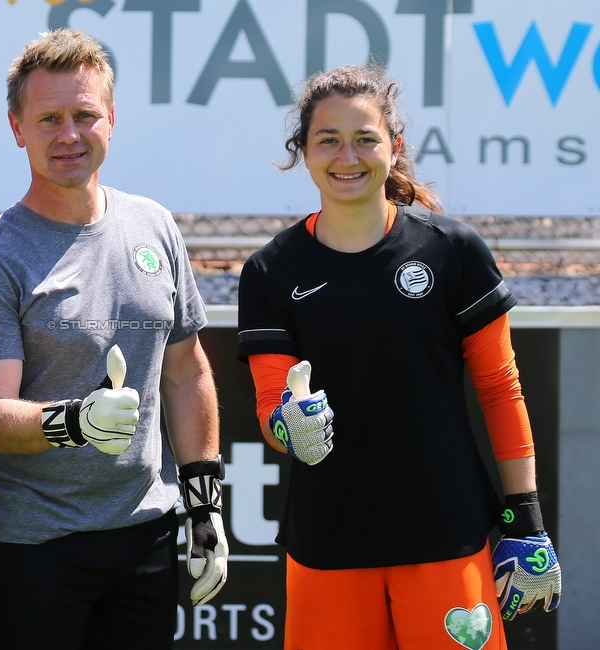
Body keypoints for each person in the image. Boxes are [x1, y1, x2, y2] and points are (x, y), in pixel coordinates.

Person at [236, 65, 561, 649]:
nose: (347, 156)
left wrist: (527, 519)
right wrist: (290, 427)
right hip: (327, 545)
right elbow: (270, 407)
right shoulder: (271, 270)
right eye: (328, 139)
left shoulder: (453, 251)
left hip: (448, 540)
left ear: (395, 147)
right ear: (303, 153)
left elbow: (500, 389)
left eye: (365, 138)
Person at [0, 28, 227, 650]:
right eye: (48, 119)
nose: (68, 135)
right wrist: (76, 421)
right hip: (32, 548)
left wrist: (204, 506)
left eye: (84, 115)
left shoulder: (154, 226)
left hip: (146, 535)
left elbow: (187, 373)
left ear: (111, 119)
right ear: (17, 127)